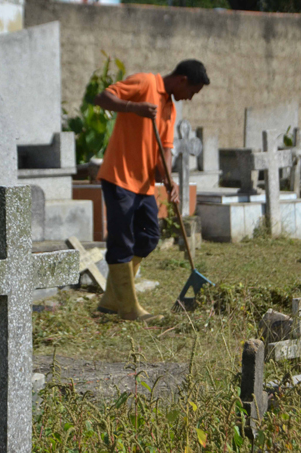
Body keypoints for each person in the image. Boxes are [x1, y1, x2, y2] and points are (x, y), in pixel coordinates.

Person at [93, 59, 210, 321]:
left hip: (143, 184)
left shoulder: (170, 108)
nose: (189, 98)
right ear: (182, 80)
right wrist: (133, 108)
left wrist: (169, 181)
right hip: (119, 176)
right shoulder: (145, 82)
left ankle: (112, 299)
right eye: (192, 92)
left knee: (148, 236)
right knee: (121, 240)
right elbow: (102, 98)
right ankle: (128, 308)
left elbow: (165, 151)